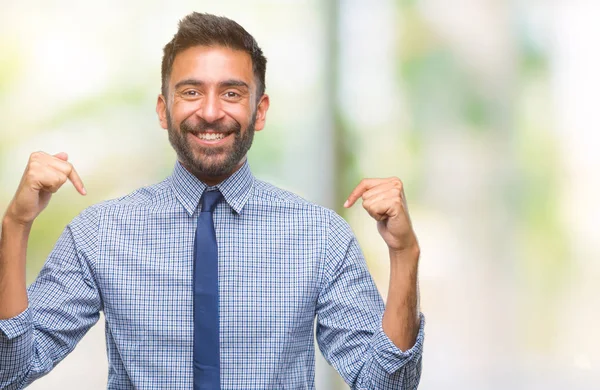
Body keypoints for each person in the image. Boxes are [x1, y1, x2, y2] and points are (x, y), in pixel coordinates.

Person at [0, 12, 424, 390]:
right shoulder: (99, 234)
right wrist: (15, 228)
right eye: (190, 92)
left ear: (260, 110)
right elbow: (10, 371)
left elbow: (386, 387)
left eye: (232, 93)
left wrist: (404, 254)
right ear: (163, 110)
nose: (209, 111)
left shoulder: (322, 236)